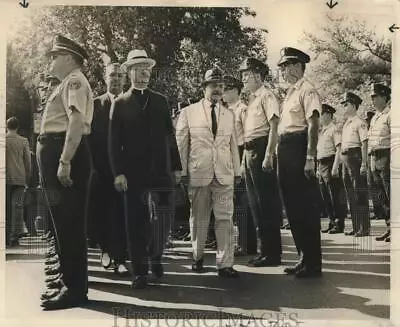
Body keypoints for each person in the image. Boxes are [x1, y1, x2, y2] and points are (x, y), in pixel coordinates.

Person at [109, 49, 182, 289]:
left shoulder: (160, 100)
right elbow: (113, 142)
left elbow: (170, 136)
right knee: (136, 220)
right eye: (138, 69)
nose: (143, 74)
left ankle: (156, 256)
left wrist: (176, 166)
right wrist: (118, 172)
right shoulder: (120, 104)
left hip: (161, 170)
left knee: (163, 218)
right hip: (133, 173)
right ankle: (140, 271)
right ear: (129, 72)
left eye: (146, 69)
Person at [37, 35, 93, 310]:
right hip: (56, 151)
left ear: (69, 58)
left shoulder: (74, 81)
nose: (51, 61)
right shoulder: (66, 83)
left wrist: (65, 160)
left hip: (64, 152)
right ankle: (66, 282)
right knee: (62, 224)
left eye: (55, 56)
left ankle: (74, 290)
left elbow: (76, 121)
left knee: (69, 225)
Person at [176, 67, 241, 278]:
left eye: (221, 86)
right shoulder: (188, 112)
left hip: (224, 173)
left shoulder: (229, 114)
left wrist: (237, 171)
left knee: (225, 219)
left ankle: (225, 263)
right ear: (204, 88)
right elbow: (182, 145)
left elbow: (233, 146)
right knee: (199, 218)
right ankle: (198, 257)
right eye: (214, 85)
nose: (218, 90)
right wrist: (181, 171)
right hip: (198, 172)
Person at [277, 47, 322, 278]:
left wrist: (310, 157)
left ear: (297, 66)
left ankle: (313, 263)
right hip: (285, 148)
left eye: (286, 67)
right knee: (292, 207)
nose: (283, 71)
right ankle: (303, 257)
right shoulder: (290, 93)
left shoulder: (307, 90)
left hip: (299, 146)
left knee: (305, 207)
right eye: (282, 68)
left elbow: (313, 125)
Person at [237, 58, 283, 267]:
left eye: (247, 74)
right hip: (249, 152)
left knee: (266, 203)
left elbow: (274, 125)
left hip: (261, 148)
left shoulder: (267, 95)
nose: (243, 78)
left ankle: (272, 253)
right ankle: (264, 251)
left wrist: (269, 154)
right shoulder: (252, 100)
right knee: (255, 204)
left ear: (257, 75)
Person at [87, 63, 129, 275]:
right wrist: (92, 167)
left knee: (122, 214)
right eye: (112, 75)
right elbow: (89, 140)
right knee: (103, 212)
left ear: (125, 79)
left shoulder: (130, 103)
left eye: (120, 76)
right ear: (105, 78)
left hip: (124, 170)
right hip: (101, 170)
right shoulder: (94, 105)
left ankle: (121, 258)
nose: (116, 79)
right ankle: (105, 251)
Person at [222, 75, 257, 256]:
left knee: (244, 202)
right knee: (235, 204)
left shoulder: (243, 110)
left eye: (227, 89)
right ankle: (242, 242)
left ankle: (247, 244)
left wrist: (242, 164)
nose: (224, 93)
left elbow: (246, 138)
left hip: (241, 153)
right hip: (228, 156)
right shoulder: (225, 111)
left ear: (236, 90)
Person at [340, 91, 370, 237]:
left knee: (359, 192)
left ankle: (364, 227)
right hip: (346, 158)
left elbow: (364, 143)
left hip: (355, 156)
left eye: (346, 105)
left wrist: (364, 163)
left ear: (353, 105)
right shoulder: (346, 124)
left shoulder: (360, 122)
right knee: (350, 193)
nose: (344, 107)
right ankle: (355, 225)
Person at [317, 104, 346, 234]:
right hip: (321, 163)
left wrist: (335, 166)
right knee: (325, 196)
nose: (320, 117)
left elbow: (338, 148)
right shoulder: (322, 131)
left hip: (330, 162)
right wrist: (318, 168)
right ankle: (331, 221)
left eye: (322, 114)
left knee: (334, 195)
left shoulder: (334, 129)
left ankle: (339, 223)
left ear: (328, 114)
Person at [368, 83, 391, 242]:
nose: (373, 100)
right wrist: (370, 158)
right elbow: (371, 140)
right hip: (375, 157)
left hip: (387, 155)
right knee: (381, 194)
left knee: (391, 193)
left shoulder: (391, 114)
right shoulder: (375, 117)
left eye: (375, 97)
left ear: (384, 97)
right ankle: (389, 227)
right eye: (372, 97)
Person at [6, 117, 31, 246]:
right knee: (17, 207)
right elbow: (27, 161)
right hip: (19, 178)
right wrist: (28, 176)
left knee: (4, 207)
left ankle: (4, 236)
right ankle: (14, 236)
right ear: (18, 127)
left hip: (5, 178)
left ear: (6, 126)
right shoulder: (23, 141)